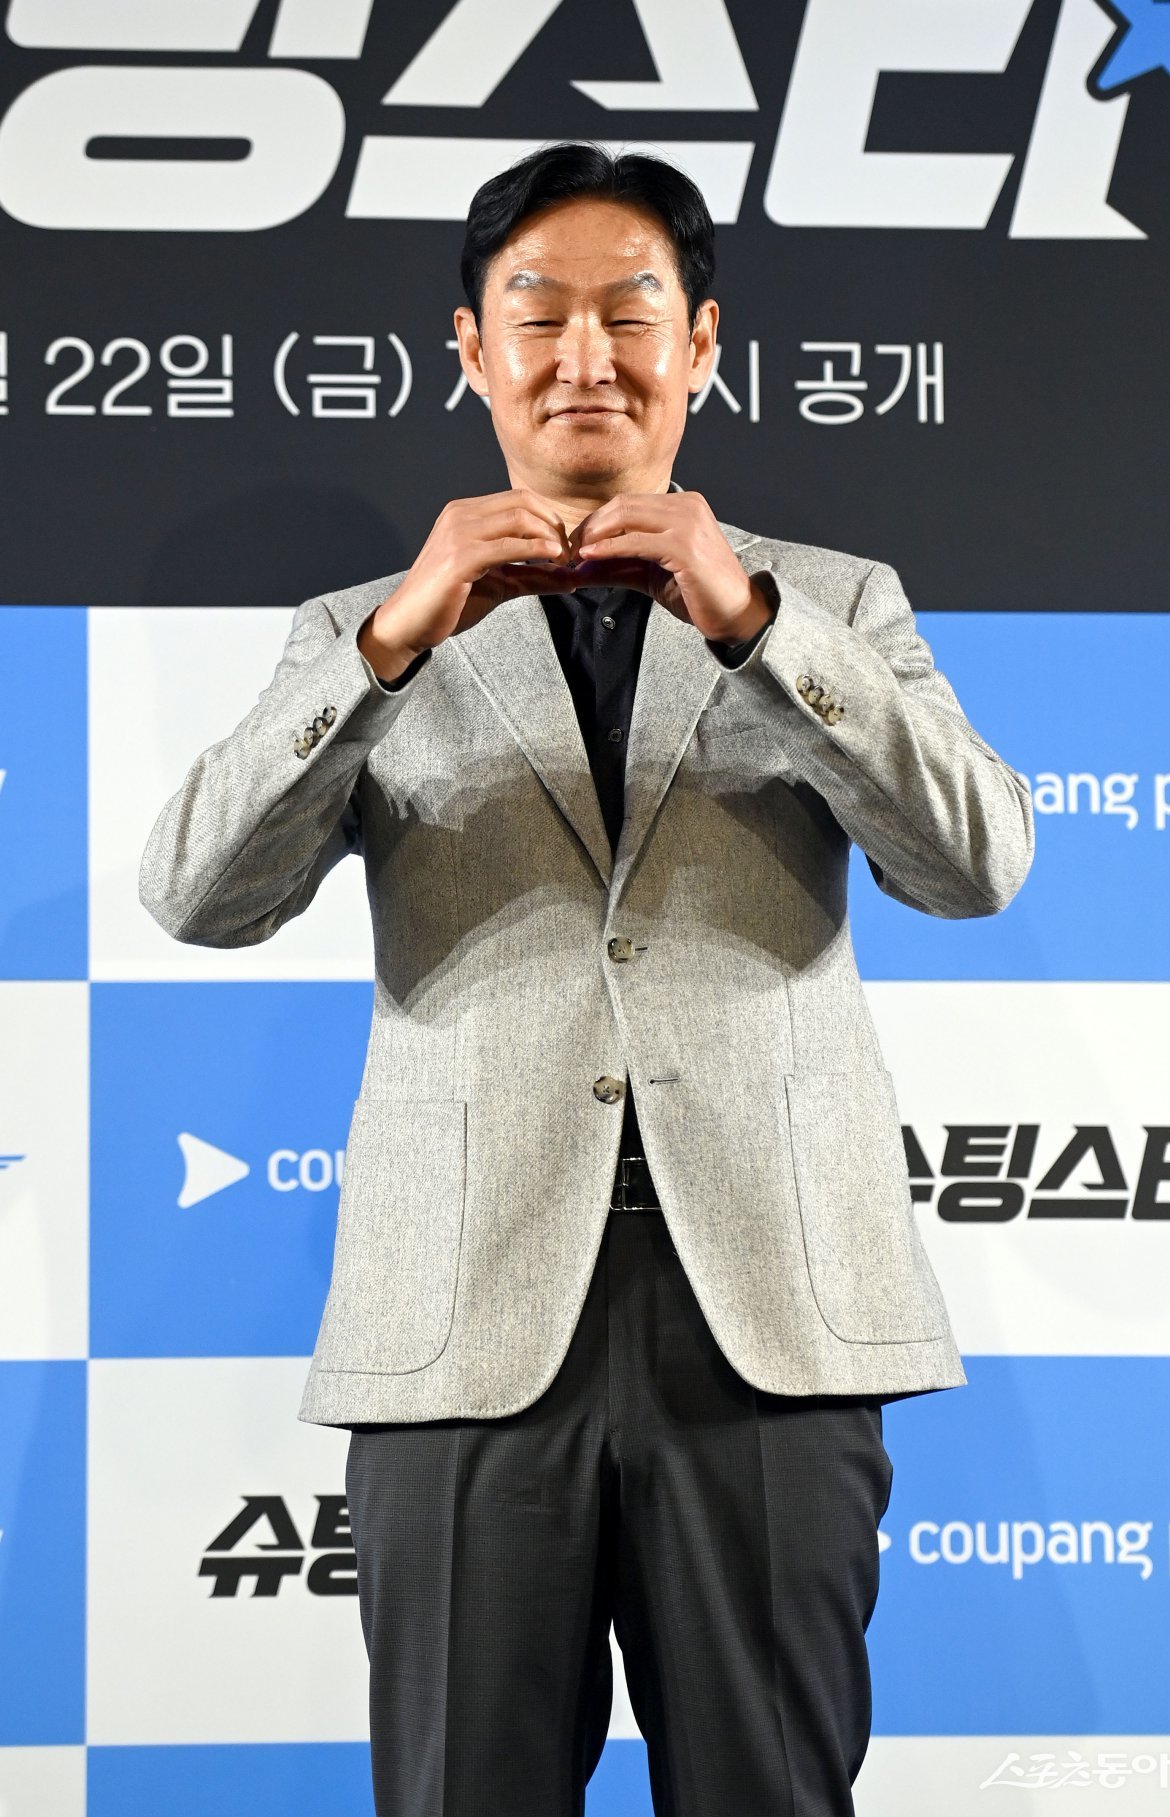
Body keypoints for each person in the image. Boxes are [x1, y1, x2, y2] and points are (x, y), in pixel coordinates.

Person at [140, 140, 1034, 1817]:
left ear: (699, 345)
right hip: (466, 1322)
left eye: (630, 313)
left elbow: (975, 862)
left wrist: (757, 624)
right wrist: (390, 648)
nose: (584, 355)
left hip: (765, 1321)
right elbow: (198, 892)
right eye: (536, 314)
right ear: (472, 351)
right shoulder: (361, 626)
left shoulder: (833, 601)